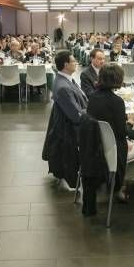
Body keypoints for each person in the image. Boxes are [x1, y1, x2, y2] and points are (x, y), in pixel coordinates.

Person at [84, 64, 134, 213]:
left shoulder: (94, 97)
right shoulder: (117, 101)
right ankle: (122, 185)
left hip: (95, 146)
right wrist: (130, 122)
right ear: (118, 80)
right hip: (112, 150)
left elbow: (105, 116)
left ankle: (119, 184)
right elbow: (123, 133)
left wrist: (129, 116)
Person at [42, 51, 87, 190]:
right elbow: (76, 115)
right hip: (70, 130)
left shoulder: (65, 79)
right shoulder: (63, 87)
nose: (76, 63)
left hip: (67, 124)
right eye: (74, 61)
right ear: (66, 65)